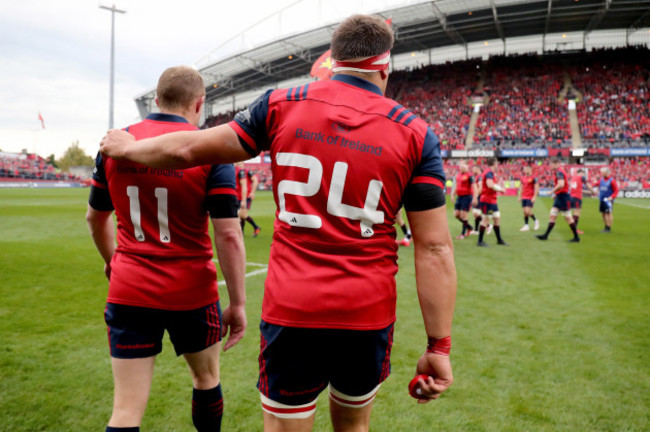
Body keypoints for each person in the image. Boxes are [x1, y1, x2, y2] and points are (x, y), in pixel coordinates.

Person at [100, 14, 456, 432]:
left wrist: (129, 147)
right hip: (366, 311)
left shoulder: (280, 104)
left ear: (333, 60)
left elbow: (187, 151)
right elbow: (434, 248)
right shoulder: (416, 132)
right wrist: (439, 345)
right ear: (384, 67)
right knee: (354, 427)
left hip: (293, 308)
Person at [86, 66, 247, 432]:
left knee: (125, 409)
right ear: (200, 103)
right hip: (191, 289)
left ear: (156, 101)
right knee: (206, 380)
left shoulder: (116, 142)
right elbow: (228, 234)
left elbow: (95, 219)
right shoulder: (210, 147)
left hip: (130, 286)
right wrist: (237, 303)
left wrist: (114, 261)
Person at [536, 158, 580, 242]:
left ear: (555, 164)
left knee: (568, 218)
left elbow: (561, 185)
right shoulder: (558, 172)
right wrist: (556, 194)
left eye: (550, 164)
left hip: (564, 197)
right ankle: (545, 235)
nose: (549, 166)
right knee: (552, 215)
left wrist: (552, 192)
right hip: (559, 197)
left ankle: (576, 237)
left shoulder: (559, 172)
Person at [476, 158, 508, 247]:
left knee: (497, 218)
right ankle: (480, 241)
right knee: (486, 219)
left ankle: (499, 240)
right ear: (494, 163)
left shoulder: (488, 172)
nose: (498, 164)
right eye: (497, 162)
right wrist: (501, 189)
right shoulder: (489, 172)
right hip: (487, 200)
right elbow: (490, 185)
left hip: (492, 200)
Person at [235, 161, 262, 237]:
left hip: (246, 197)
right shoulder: (236, 171)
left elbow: (256, 181)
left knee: (242, 215)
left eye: (240, 163)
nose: (239, 164)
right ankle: (244, 232)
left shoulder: (247, 172)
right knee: (242, 216)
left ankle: (255, 227)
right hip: (238, 196)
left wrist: (252, 192)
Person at [451, 160, 476, 239]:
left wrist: (474, 198)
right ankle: (469, 227)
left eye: (463, 167)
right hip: (459, 197)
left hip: (467, 197)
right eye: (460, 167)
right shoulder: (458, 175)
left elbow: (474, 186)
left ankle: (462, 234)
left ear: (467, 167)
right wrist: (453, 194)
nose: (461, 168)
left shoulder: (470, 176)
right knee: (456, 215)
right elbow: (457, 185)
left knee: (463, 216)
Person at [595, 166, 618, 233]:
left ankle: (608, 228)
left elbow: (616, 190)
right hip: (602, 199)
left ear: (606, 173)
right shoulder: (601, 180)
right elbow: (596, 184)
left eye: (602, 172)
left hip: (608, 200)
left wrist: (612, 197)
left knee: (608, 213)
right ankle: (606, 226)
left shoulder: (612, 180)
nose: (601, 174)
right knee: (603, 213)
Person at [517, 165, 539, 232]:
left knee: (527, 211)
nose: (526, 170)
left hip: (530, 197)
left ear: (530, 170)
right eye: (525, 169)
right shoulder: (522, 178)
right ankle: (526, 226)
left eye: (527, 169)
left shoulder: (534, 178)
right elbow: (521, 188)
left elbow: (537, 188)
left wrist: (534, 197)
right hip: (524, 196)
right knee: (524, 212)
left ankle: (536, 220)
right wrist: (519, 196)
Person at [569, 167, 588, 234]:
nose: (583, 175)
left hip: (572, 197)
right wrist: (593, 191)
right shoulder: (580, 177)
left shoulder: (573, 178)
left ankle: (573, 229)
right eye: (583, 173)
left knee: (575, 213)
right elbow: (587, 185)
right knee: (576, 214)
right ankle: (574, 230)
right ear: (581, 173)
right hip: (577, 198)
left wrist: (589, 192)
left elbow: (578, 189)